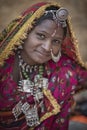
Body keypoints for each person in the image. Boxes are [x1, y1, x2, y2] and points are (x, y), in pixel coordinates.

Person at [0, 1, 87, 130]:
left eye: (56, 41)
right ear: (25, 32)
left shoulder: (65, 68)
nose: (47, 47)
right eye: (41, 36)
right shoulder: (3, 67)